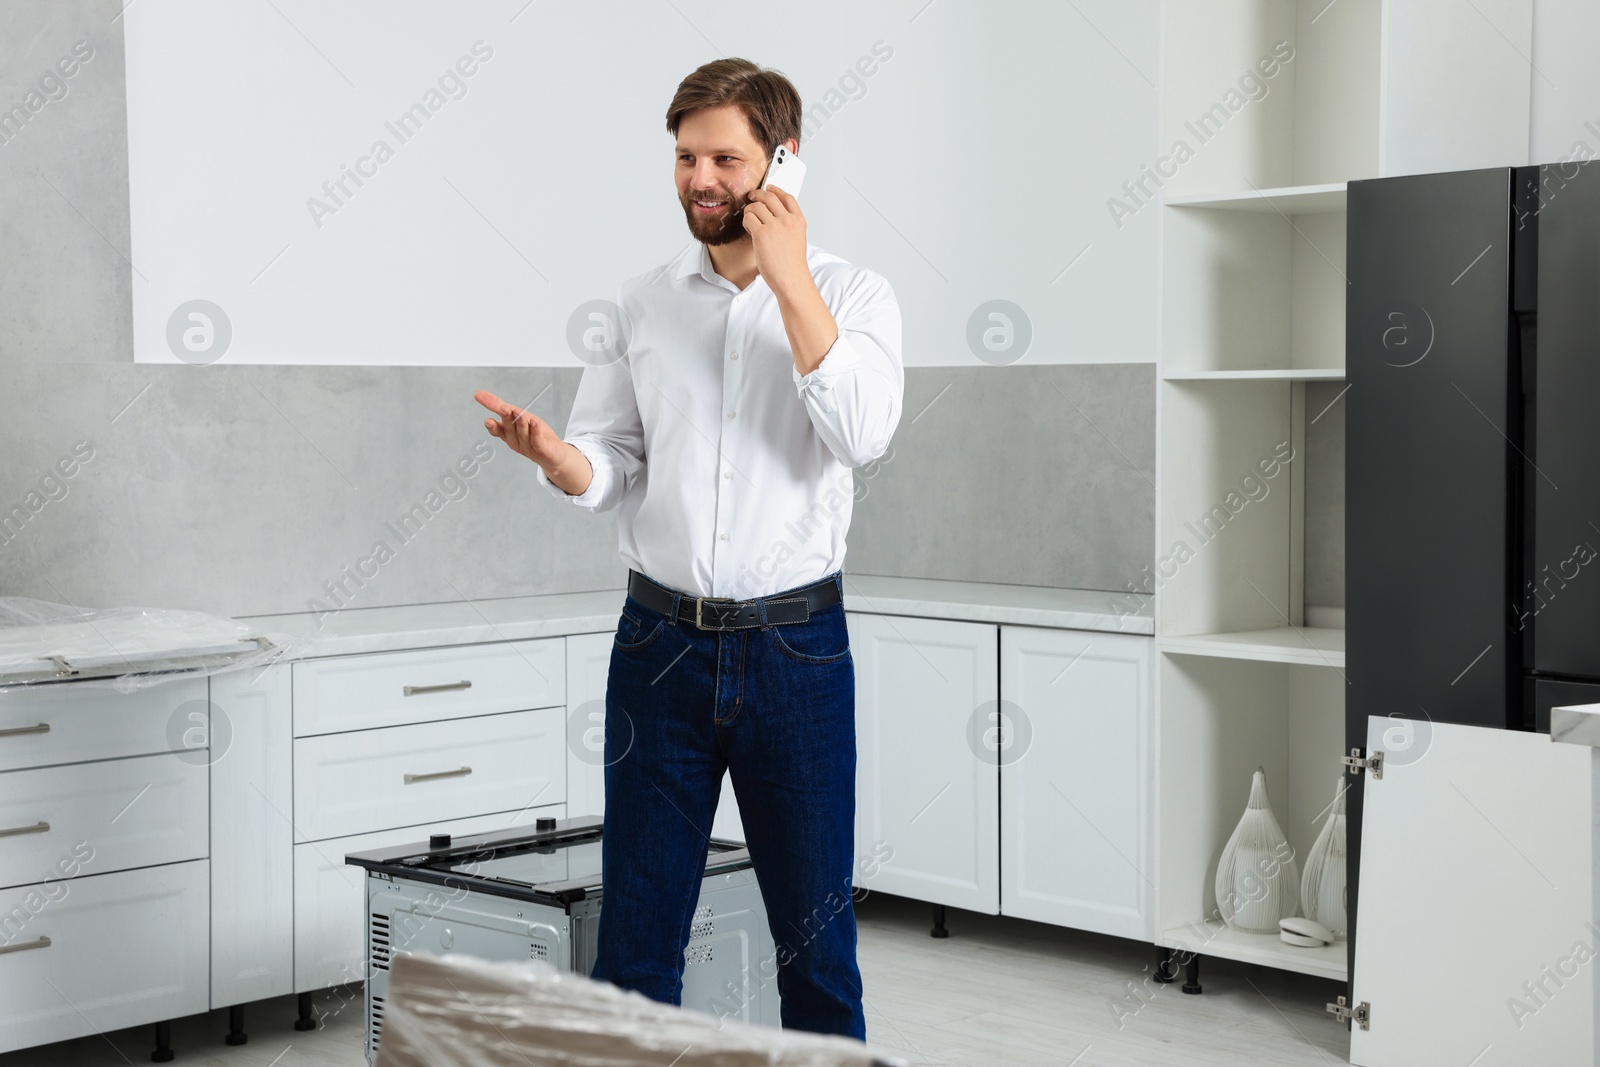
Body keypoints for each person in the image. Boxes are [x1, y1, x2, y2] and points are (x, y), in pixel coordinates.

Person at [474, 56, 903, 1040]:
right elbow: (611, 459)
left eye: (724, 157)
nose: (700, 179)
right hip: (657, 647)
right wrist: (559, 459)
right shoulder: (641, 302)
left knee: (816, 947)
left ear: (782, 164)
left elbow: (861, 433)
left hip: (796, 653)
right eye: (684, 157)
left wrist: (789, 279)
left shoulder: (856, 295)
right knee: (634, 941)